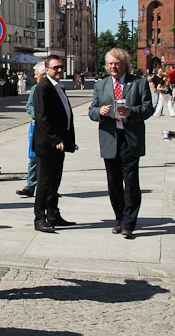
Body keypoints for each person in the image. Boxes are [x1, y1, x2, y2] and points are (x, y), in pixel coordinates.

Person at [88, 48, 154, 239]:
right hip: (110, 138)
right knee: (113, 182)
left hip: (130, 139)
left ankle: (129, 223)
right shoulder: (101, 85)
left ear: (125, 64)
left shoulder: (139, 83)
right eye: (110, 64)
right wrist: (100, 111)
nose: (113, 67)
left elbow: (148, 109)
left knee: (131, 182)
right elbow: (92, 110)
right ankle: (119, 218)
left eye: (116, 63)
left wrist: (131, 112)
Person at [32, 55, 76, 234]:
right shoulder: (43, 88)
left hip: (60, 144)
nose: (59, 70)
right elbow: (42, 118)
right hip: (47, 145)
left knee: (54, 182)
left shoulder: (59, 88)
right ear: (47, 69)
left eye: (61, 67)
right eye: (56, 67)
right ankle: (39, 217)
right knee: (44, 182)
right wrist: (55, 139)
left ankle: (53, 214)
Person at [16, 61, 47, 198]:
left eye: (36, 74)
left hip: (51, 129)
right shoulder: (35, 88)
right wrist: (39, 116)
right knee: (33, 158)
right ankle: (30, 186)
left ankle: (48, 187)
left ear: (44, 74)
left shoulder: (58, 88)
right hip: (36, 127)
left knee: (50, 160)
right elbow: (29, 106)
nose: (35, 77)